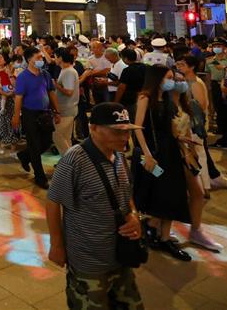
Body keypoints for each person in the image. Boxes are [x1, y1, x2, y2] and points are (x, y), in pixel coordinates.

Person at [46, 102, 144, 310]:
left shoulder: (119, 155)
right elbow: (53, 201)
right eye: (117, 132)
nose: (124, 138)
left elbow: (125, 194)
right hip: (88, 261)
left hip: (120, 255)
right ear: (94, 128)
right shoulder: (75, 159)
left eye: (127, 131)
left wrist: (134, 216)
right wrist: (56, 245)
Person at [130, 65, 193, 261]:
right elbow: (138, 128)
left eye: (172, 77)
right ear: (157, 78)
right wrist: (147, 155)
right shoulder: (145, 98)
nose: (172, 81)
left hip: (170, 152)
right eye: (168, 77)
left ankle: (163, 236)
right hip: (153, 155)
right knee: (158, 191)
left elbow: (168, 126)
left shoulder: (166, 98)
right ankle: (151, 226)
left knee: (173, 193)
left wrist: (181, 139)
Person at [13, 46, 61, 189]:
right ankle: (40, 177)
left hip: (45, 113)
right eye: (38, 57)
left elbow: (51, 93)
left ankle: (24, 156)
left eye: (41, 57)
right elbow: (18, 98)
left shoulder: (45, 74)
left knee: (46, 142)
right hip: (29, 114)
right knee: (34, 145)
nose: (41, 59)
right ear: (29, 60)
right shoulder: (22, 77)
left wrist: (57, 111)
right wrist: (16, 116)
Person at [0, 52, 18, 154]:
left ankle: (13, 147)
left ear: (5, 60)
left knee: (11, 121)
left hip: (11, 99)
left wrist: (10, 92)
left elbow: (15, 85)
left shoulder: (11, 71)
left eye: (0, 57)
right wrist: (5, 93)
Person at [53, 49, 80, 155]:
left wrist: (56, 85)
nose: (54, 59)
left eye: (55, 56)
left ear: (60, 58)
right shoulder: (66, 70)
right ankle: (69, 162)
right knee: (65, 137)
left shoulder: (68, 71)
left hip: (66, 109)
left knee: (57, 136)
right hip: (67, 108)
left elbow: (69, 92)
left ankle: (69, 161)